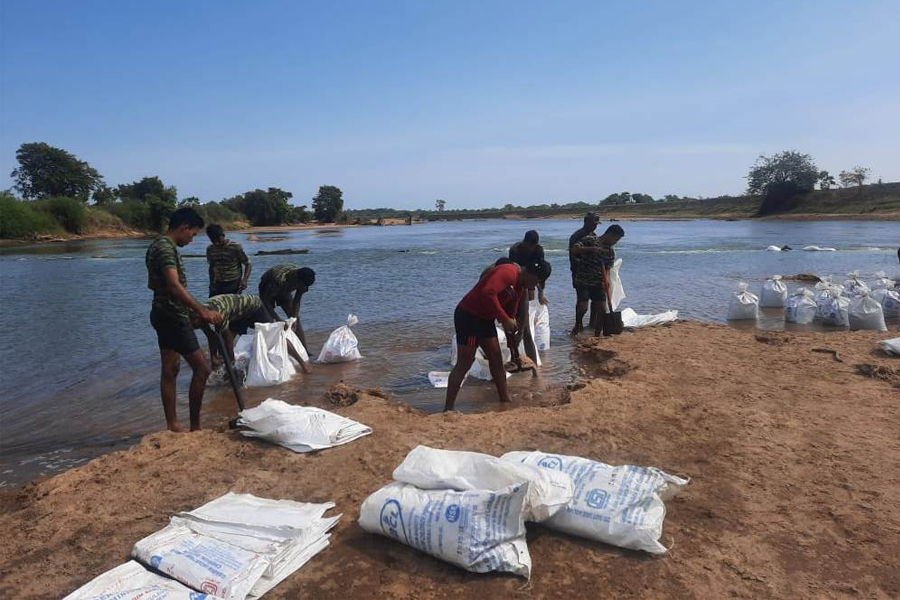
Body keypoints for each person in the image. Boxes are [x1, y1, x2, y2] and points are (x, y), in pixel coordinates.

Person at [146, 207, 222, 433]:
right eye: (193, 234)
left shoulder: (157, 245)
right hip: (172, 317)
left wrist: (194, 310)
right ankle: (195, 427)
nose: (192, 239)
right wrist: (202, 311)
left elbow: (160, 285)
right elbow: (173, 284)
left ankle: (173, 425)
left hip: (162, 313)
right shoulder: (166, 248)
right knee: (202, 369)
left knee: (170, 369)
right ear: (184, 227)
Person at [444, 260, 551, 412]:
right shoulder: (508, 271)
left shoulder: (520, 288)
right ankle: (448, 408)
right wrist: (505, 319)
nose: (536, 285)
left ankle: (505, 399)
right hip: (469, 316)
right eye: (537, 281)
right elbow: (487, 293)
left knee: (496, 358)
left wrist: (513, 345)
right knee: (464, 363)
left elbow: (510, 316)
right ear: (530, 274)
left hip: (485, 319)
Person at [194, 293, 310, 373]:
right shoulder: (200, 315)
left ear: (200, 318)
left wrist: (231, 364)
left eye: (196, 325)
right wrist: (214, 358)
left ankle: (302, 364)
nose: (196, 327)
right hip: (236, 313)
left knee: (275, 336)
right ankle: (225, 370)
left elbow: (228, 340)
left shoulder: (218, 313)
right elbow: (211, 336)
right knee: (223, 347)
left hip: (254, 307)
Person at [571, 224, 624, 335]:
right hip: (583, 279)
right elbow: (574, 250)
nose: (615, 242)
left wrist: (607, 281)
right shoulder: (589, 240)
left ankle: (597, 333)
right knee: (583, 307)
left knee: (602, 309)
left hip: (599, 282)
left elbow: (608, 267)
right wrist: (591, 249)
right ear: (609, 234)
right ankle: (578, 325)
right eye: (615, 239)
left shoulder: (610, 251)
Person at [506, 230, 548, 364]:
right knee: (515, 327)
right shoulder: (515, 249)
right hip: (518, 279)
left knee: (526, 329)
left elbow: (541, 273)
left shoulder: (538, 250)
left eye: (533, 246)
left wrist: (541, 293)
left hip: (529, 278)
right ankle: (514, 358)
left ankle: (533, 364)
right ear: (524, 242)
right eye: (529, 245)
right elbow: (512, 269)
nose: (531, 248)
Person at [258, 265, 316, 350]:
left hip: (285, 290)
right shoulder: (278, 279)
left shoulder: (304, 281)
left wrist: (294, 318)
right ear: (297, 279)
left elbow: (297, 300)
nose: (302, 288)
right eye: (301, 285)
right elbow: (266, 303)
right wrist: (278, 319)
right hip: (267, 286)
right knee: (268, 320)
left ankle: (304, 350)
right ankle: (268, 349)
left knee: (295, 321)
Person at [569, 213, 600, 332]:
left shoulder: (594, 236)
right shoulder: (576, 236)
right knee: (582, 300)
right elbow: (574, 256)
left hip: (595, 274)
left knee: (596, 300)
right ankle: (578, 324)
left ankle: (592, 323)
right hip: (579, 273)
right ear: (586, 222)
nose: (595, 226)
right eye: (593, 224)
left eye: (596, 224)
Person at [206, 224, 251, 297]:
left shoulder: (235, 247)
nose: (217, 243)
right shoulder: (210, 249)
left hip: (233, 283)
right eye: (213, 241)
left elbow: (248, 264)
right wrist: (211, 284)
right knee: (213, 306)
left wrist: (244, 280)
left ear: (223, 235)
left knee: (231, 306)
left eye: (218, 240)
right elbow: (211, 267)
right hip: (218, 284)